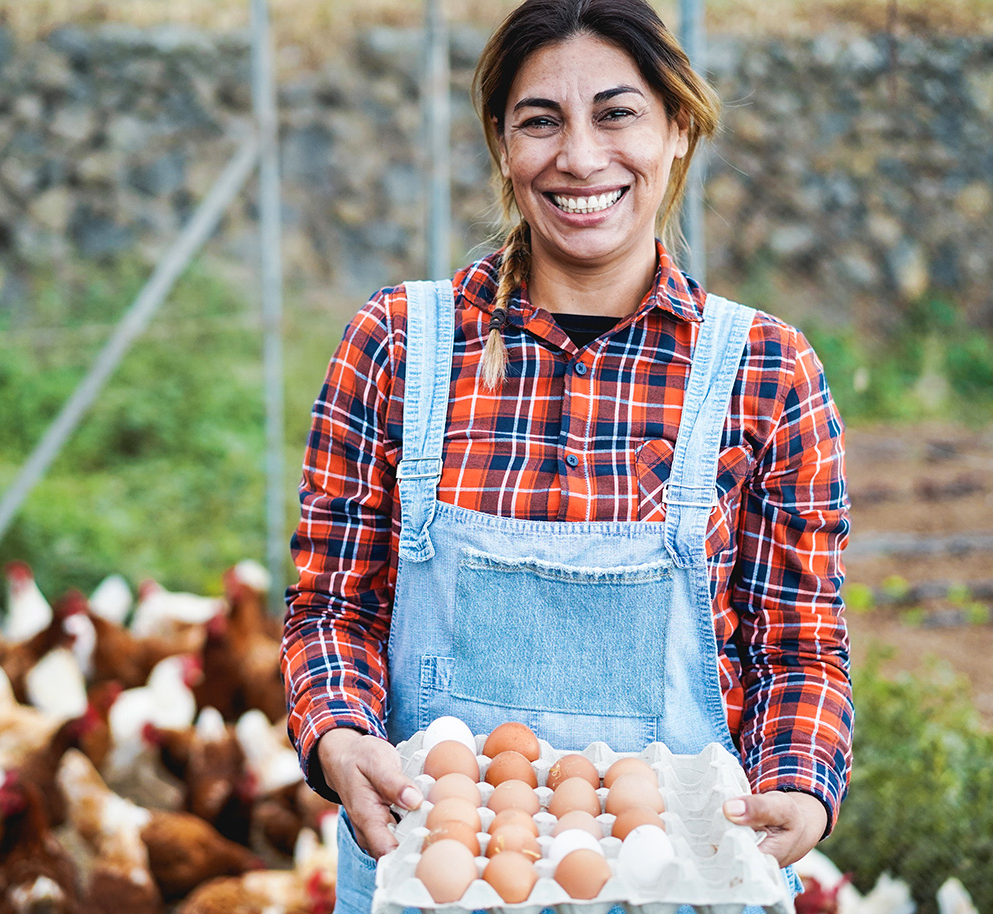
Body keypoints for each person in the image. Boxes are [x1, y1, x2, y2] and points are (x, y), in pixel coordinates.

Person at [281, 0, 853, 911]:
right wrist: (340, 738)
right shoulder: (396, 346)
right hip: (435, 871)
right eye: (540, 120)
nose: (580, 157)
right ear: (503, 147)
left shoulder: (766, 371)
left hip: (687, 881)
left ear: (678, 128)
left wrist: (801, 781)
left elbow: (801, 648)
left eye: (617, 112)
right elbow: (331, 608)